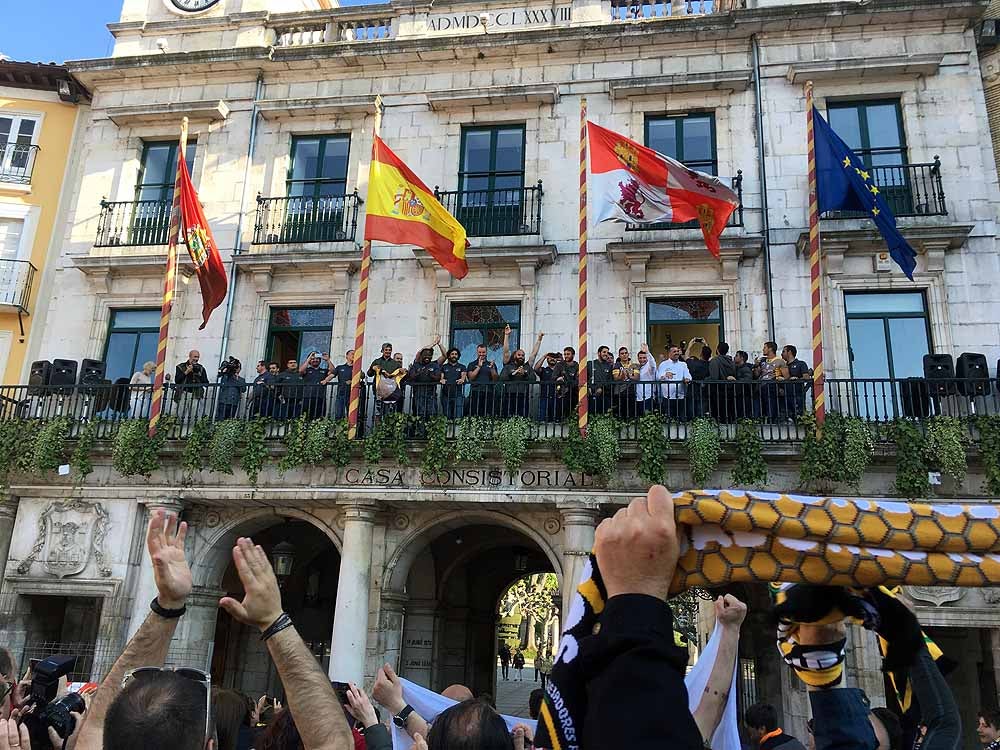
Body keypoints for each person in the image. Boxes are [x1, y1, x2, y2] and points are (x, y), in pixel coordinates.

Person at [73, 510, 353, 750]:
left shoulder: (96, 734)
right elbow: (332, 741)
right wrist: (274, 620)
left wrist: (167, 606)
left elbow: (97, 721)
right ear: (210, 746)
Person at [369, 343, 405, 418]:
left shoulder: (396, 364)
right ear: (382, 350)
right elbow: (369, 374)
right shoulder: (377, 361)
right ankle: (378, 429)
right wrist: (372, 368)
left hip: (391, 391)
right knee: (378, 412)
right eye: (386, 350)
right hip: (379, 390)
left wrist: (403, 371)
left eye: (389, 350)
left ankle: (388, 429)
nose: (388, 351)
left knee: (390, 414)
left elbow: (400, 377)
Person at [657, 345, 692, 420]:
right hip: (668, 397)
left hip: (681, 397)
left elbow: (688, 375)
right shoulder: (663, 364)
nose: (676, 353)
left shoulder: (683, 364)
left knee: (682, 420)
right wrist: (665, 375)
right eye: (674, 351)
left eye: (677, 351)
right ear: (669, 353)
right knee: (668, 420)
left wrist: (687, 379)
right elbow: (659, 377)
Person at [174, 350, 210, 419]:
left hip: (195, 394)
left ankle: (193, 429)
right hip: (183, 393)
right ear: (190, 356)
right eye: (195, 357)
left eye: (198, 357)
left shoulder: (201, 368)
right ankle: (178, 428)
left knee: (194, 415)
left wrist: (199, 375)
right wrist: (186, 371)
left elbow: (206, 383)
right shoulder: (180, 367)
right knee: (180, 414)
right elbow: (177, 381)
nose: (196, 359)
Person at [499, 350, 535, 418]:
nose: (521, 357)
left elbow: (533, 379)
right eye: (519, 355)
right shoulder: (508, 366)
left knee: (522, 416)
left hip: (523, 395)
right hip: (509, 394)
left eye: (523, 355)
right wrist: (512, 374)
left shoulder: (527, 367)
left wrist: (524, 374)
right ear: (514, 356)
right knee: (508, 416)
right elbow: (501, 378)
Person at [756, 341, 786, 421]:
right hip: (760, 386)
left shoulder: (780, 361)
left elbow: (786, 376)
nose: (763, 349)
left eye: (765, 347)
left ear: (770, 349)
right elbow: (757, 374)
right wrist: (756, 366)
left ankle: (771, 419)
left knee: (771, 404)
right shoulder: (762, 360)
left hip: (771, 386)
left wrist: (781, 379)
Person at [467, 344, 499, 417]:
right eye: (480, 352)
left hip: (489, 392)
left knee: (488, 415)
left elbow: (495, 379)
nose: (481, 354)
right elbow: (471, 378)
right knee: (474, 415)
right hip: (475, 392)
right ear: (477, 352)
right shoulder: (472, 364)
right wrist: (479, 367)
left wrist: (492, 369)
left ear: (486, 352)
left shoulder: (491, 364)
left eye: (483, 352)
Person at [409, 347, 441, 419]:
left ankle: (430, 429)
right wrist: (420, 372)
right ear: (421, 355)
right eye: (425, 355)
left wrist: (430, 374)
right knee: (420, 414)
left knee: (431, 413)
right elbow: (411, 377)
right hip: (418, 394)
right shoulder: (415, 365)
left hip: (431, 394)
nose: (427, 357)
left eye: (429, 355)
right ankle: (420, 430)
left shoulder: (434, 365)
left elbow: (438, 378)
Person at [322, 350, 354, 421]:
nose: (354, 355)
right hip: (341, 393)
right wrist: (325, 381)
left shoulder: (356, 368)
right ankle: (339, 431)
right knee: (339, 414)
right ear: (347, 356)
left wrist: (352, 381)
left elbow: (362, 376)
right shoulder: (340, 367)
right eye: (352, 354)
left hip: (352, 395)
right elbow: (332, 375)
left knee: (352, 415)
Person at [781, 344, 812, 417]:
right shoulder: (783, 366)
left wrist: (797, 379)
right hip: (784, 395)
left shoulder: (800, 364)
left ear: (789, 352)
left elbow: (806, 377)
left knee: (799, 415)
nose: (781, 354)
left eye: (783, 351)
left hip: (797, 395)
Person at [708, 343, 737, 421]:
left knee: (718, 413)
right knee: (728, 412)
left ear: (717, 350)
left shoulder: (715, 361)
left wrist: (705, 380)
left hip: (718, 391)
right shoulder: (732, 362)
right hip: (730, 390)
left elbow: (714, 377)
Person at [298, 351, 330, 419]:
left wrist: (328, 360)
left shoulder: (324, 371)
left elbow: (333, 371)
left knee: (319, 417)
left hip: (320, 397)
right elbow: (300, 371)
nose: (315, 360)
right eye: (313, 359)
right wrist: (309, 358)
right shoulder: (307, 370)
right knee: (305, 417)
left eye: (317, 358)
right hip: (307, 397)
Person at [612, 346, 640, 419]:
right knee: (621, 413)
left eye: (625, 353)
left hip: (631, 391)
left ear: (628, 354)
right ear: (619, 355)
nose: (624, 355)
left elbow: (637, 378)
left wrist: (628, 375)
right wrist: (623, 376)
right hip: (620, 392)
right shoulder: (616, 365)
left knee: (631, 413)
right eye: (622, 353)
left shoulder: (634, 365)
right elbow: (616, 378)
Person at [439, 347, 467, 420]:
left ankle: (457, 431)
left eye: (456, 354)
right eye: (452, 354)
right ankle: (448, 431)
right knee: (446, 415)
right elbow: (441, 377)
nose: (454, 355)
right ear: (449, 356)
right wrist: (442, 380)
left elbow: (463, 375)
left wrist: (462, 379)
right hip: (446, 395)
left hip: (458, 394)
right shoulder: (444, 367)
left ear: (458, 356)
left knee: (458, 415)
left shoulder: (462, 366)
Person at [553, 347, 579, 420]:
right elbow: (553, 377)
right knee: (561, 410)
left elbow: (578, 378)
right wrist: (558, 378)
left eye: (568, 354)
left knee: (574, 410)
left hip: (574, 392)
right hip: (562, 392)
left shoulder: (577, 365)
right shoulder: (559, 365)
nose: (566, 356)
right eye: (565, 354)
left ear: (573, 355)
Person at [588, 346, 614, 415]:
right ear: (599, 353)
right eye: (604, 352)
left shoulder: (609, 366)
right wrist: (588, 387)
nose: (606, 354)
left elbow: (610, 381)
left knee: (604, 415)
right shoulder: (590, 364)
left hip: (605, 395)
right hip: (592, 395)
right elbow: (585, 378)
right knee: (592, 415)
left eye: (607, 352)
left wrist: (602, 388)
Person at [534, 352, 560, 422]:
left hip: (557, 399)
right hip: (544, 398)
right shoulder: (544, 370)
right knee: (542, 420)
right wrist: (544, 356)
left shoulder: (560, 371)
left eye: (554, 357)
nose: (552, 359)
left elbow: (567, 371)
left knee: (556, 421)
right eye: (550, 357)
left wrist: (562, 360)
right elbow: (536, 368)